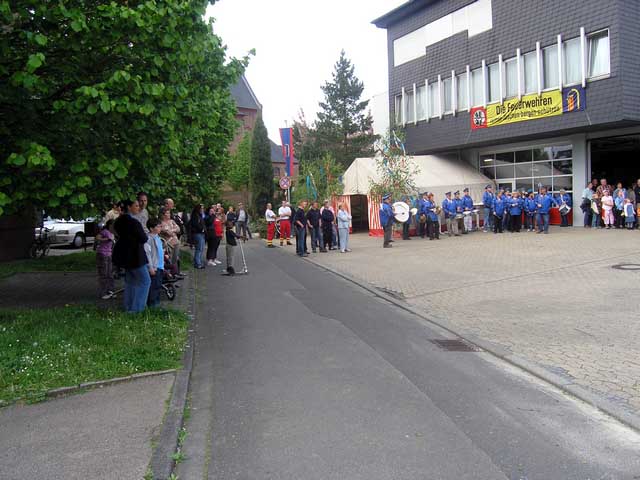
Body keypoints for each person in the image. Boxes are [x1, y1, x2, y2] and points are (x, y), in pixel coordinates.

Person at [113, 199, 151, 313]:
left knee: (130, 281)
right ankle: (137, 309)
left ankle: (128, 306)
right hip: (135, 255)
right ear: (129, 207)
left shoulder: (118, 221)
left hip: (123, 255)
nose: (138, 208)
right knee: (145, 281)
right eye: (136, 205)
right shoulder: (134, 222)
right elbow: (144, 238)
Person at [144, 218, 164, 307]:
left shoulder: (158, 237)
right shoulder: (148, 239)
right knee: (153, 287)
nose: (160, 228)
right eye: (158, 226)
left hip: (160, 266)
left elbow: (158, 251)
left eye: (160, 226)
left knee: (158, 286)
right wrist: (150, 267)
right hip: (154, 267)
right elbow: (147, 254)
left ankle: (156, 304)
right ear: (151, 228)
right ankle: (152, 306)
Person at [96, 219, 115, 299]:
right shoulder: (105, 231)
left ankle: (110, 291)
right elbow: (97, 237)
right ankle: (103, 293)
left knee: (110, 274)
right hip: (102, 254)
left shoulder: (112, 233)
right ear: (110, 225)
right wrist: (106, 239)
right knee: (104, 274)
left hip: (109, 254)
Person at [189, 204, 206, 268]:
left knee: (201, 248)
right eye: (201, 208)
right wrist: (201, 229)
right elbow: (195, 225)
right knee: (198, 249)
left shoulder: (200, 215)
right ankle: (197, 263)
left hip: (201, 234)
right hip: (197, 233)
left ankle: (198, 261)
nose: (202, 210)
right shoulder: (195, 216)